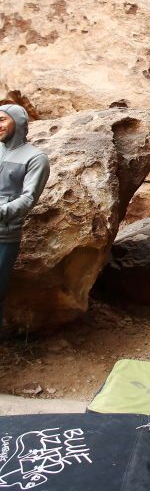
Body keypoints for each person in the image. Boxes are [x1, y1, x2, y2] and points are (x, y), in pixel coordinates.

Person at [0, 103, 50, 336]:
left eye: (2, 120)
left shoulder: (36, 158)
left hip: (4, 236)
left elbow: (28, 199)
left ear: (18, 123)